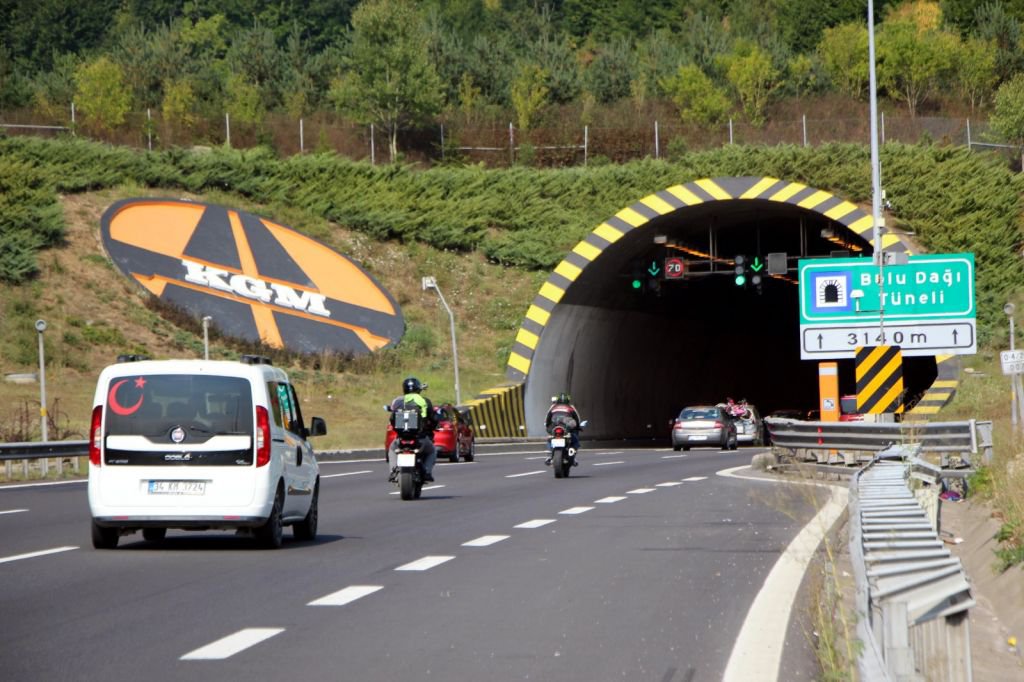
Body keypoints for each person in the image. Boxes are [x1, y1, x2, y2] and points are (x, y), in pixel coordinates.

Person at [387, 376, 438, 482]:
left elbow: (392, 418)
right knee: (432, 451)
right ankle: (427, 472)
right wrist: (431, 427)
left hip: (401, 438)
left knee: (392, 449)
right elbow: (433, 419)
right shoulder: (425, 401)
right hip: (420, 438)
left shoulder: (398, 401)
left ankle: (393, 471)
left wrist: (398, 431)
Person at [545, 392, 582, 466]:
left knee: (550, 438)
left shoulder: (553, 407)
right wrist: (578, 427)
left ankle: (549, 455)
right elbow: (577, 419)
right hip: (566, 427)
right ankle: (572, 455)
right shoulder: (571, 408)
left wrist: (548, 426)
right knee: (575, 441)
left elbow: (547, 418)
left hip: (554, 426)